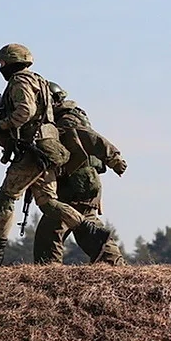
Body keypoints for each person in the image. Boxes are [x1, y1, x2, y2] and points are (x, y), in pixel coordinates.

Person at [0, 43, 116, 266]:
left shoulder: (20, 81)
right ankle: (90, 231)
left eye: (2, 63)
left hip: (33, 151)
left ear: (11, 62)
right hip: (48, 150)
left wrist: (3, 125)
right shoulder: (40, 81)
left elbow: (26, 111)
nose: (1, 68)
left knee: (5, 198)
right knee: (48, 203)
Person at [33, 81, 127, 265]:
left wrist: (114, 159)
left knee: (52, 229)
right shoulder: (63, 118)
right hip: (83, 181)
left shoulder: (67, 120)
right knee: (86, 223)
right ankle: (114, 264)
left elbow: (90, 138)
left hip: (77, 183)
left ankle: (48, 272)